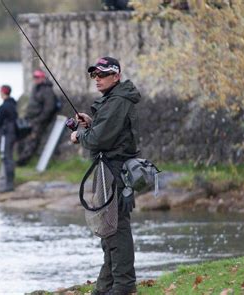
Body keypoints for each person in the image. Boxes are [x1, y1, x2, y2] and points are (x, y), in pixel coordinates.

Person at [70, 56, 141, 295]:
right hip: (107, 169)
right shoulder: (112, 100)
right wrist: (91, 122)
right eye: (94, 75)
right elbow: (106, 130)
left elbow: (101, 140)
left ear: (116, 76)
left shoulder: (118, 100)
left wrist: (80, 136)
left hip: (115, 170)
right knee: (108, 226)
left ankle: (124, 285)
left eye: (102, 75)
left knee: (117, 226)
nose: (97, 80)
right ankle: (107, 284)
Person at [16, 69, 57, 166]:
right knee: (21, 137)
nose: (35, 79)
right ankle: (19, 158)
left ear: (43, 77)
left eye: (37, 77)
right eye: (34, 77)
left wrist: (39, 119)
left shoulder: (47, 90)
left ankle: (23, 162)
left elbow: (49, 108)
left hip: (38, 120)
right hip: (29, 118)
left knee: (32, 140)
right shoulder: (36, 87)